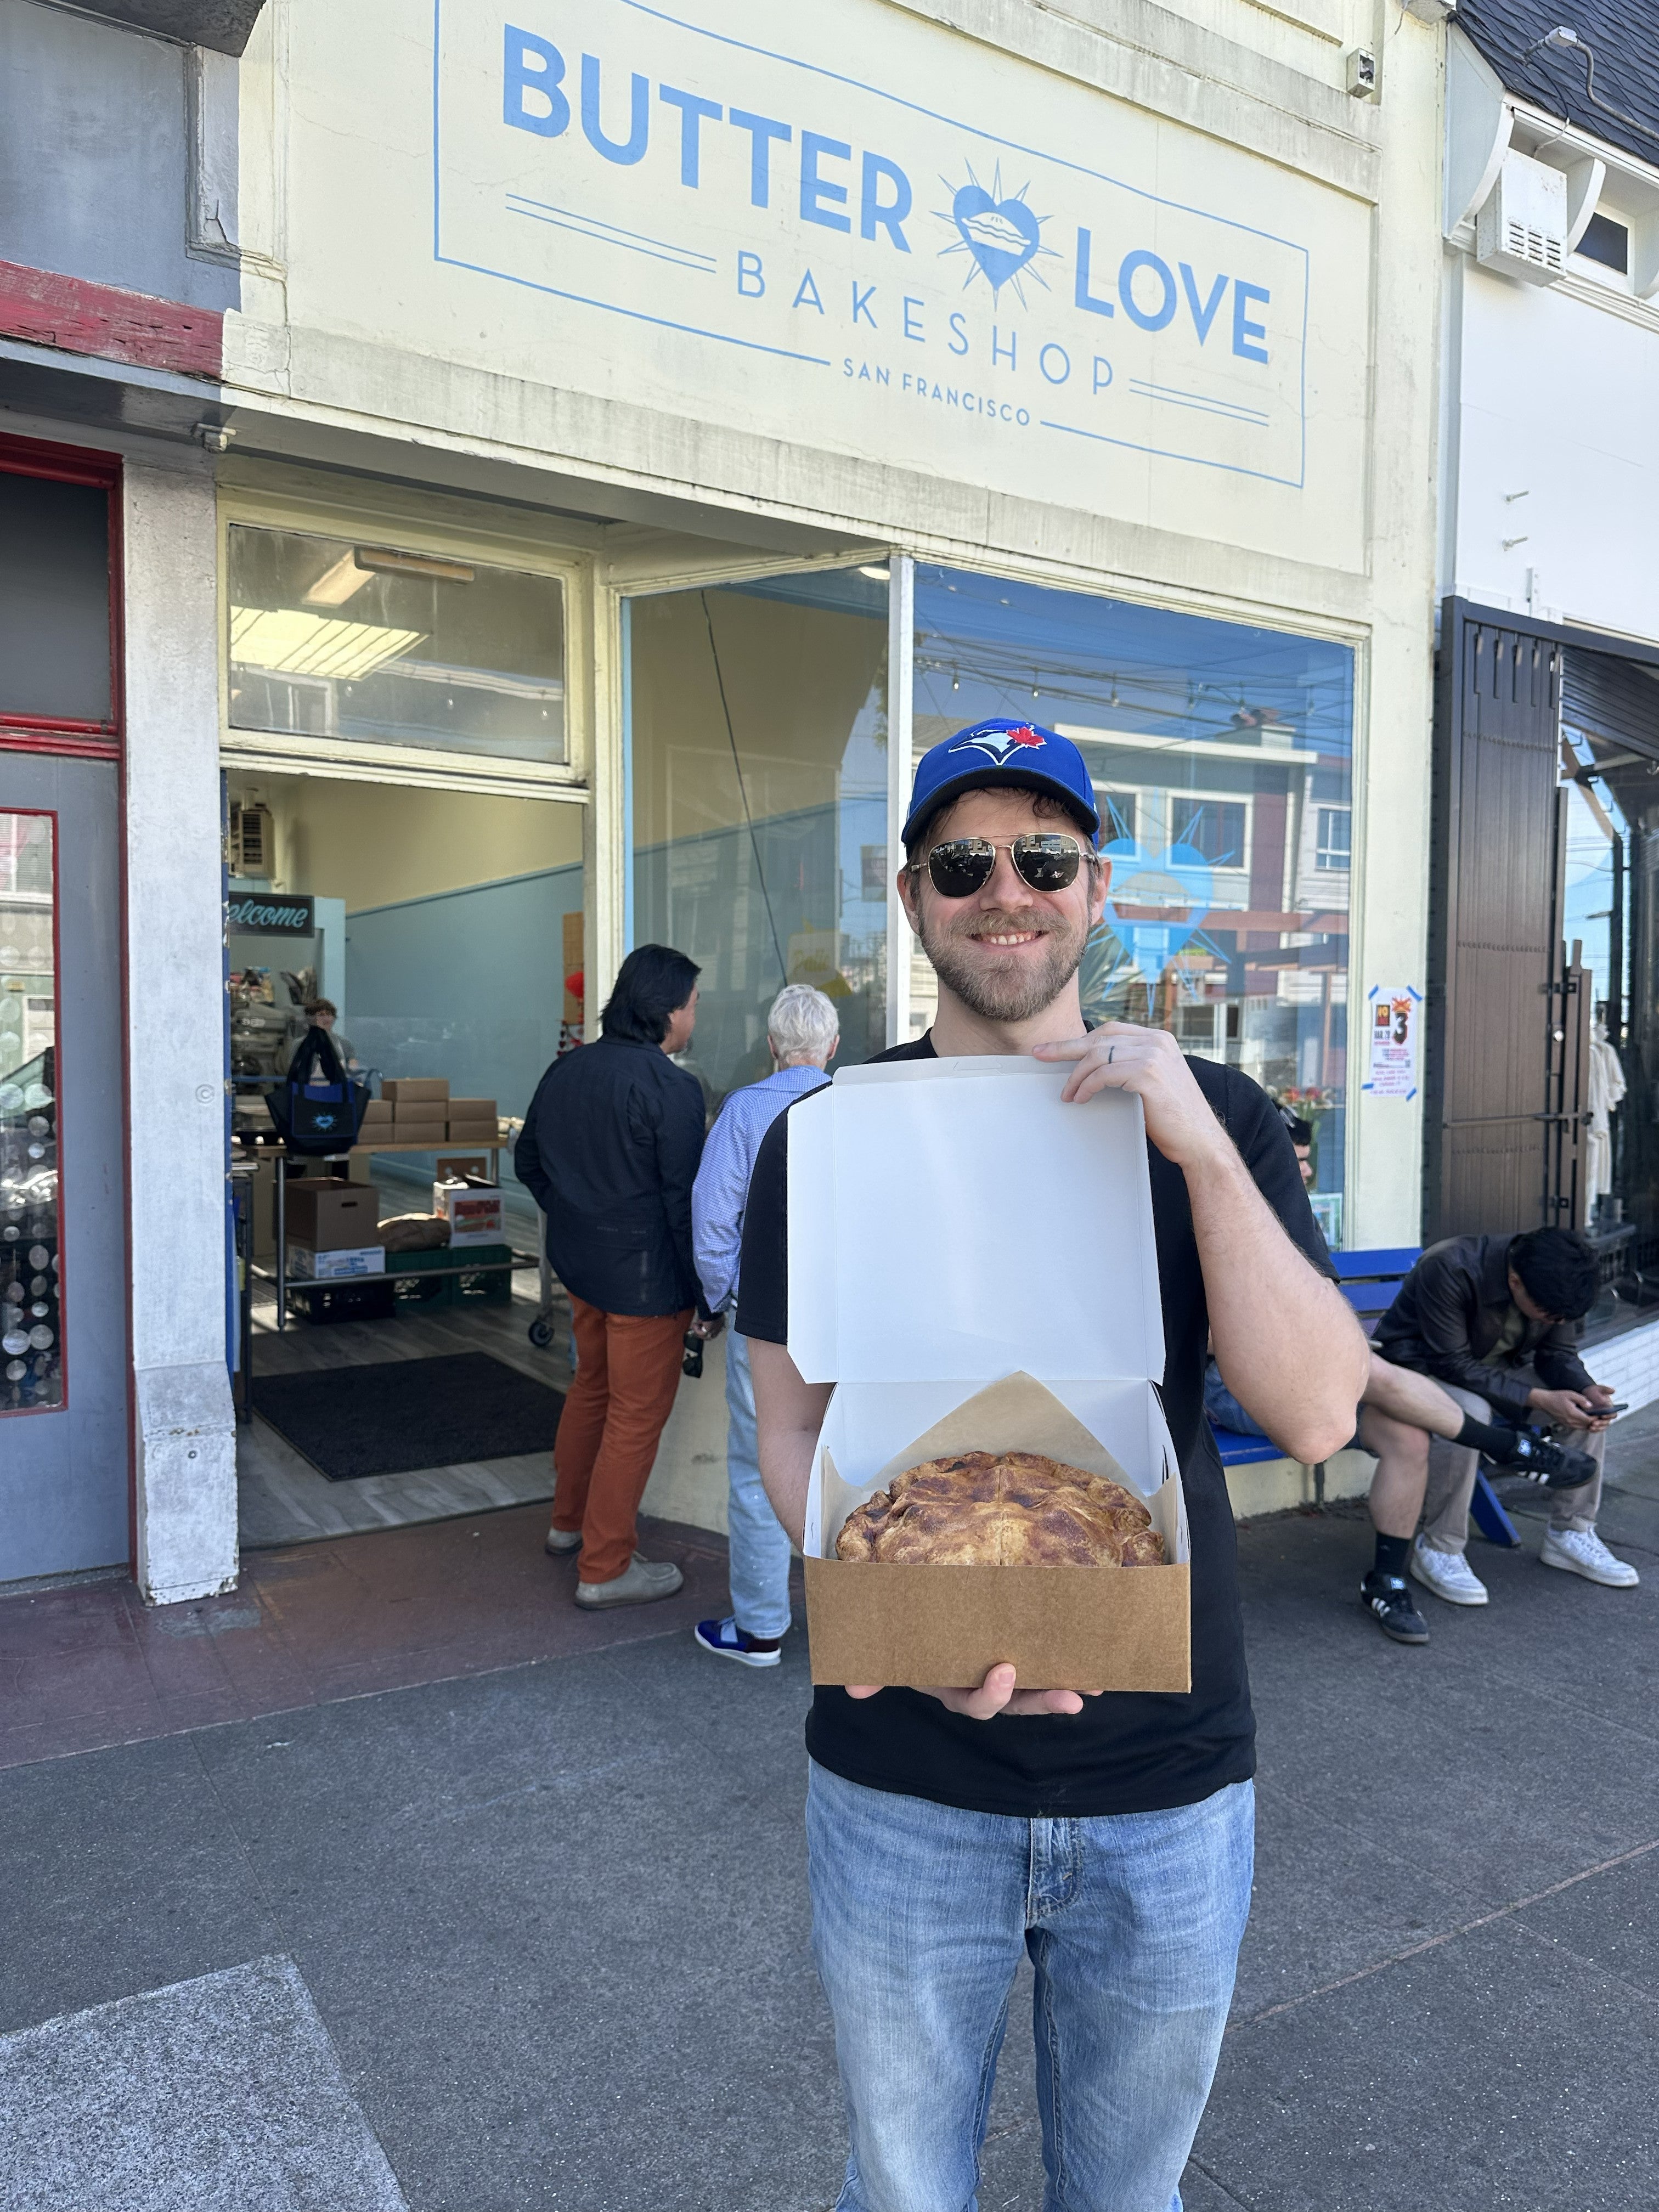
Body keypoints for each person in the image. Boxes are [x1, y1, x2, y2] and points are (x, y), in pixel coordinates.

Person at [738, 719, 1368, 2212]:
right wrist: (915, 1619)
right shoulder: (825, 1138)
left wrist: (1201, 1153)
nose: (1003, 891)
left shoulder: (1219, 1117)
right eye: (963, 862)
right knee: (902, 2190)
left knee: (1128, 2196)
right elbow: (791, 1432)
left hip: (1168, 1776)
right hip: (900, 1780)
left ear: (1095, 892)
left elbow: (1321, 1416)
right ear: (913, 899)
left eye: (1043, 859)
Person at [514, 945, 715, 1610]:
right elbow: (686, 1206)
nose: (695, 1016)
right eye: (691, 1004)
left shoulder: (566, 1070)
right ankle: (604, 1569)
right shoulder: (673, 1088)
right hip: (647, 1285)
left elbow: (529, 1162)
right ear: (665, 1012)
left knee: (591, 1392)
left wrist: (576, 1217)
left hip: (584, 1272)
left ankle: (566, 1528)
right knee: (632, 1420)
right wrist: (707, 1294)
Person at [1366, 1227, 1636, 1605]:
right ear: (1514, 1281)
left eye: (1564, 1318)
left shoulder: (1554, 1285)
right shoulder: (1451, 1266)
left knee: (1584, 1409)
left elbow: (1558, 1355)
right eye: (1549, 1315)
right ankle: (1440, 1548)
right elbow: (1452, 1363)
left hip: (1500, 1371)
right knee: (1468, 1412)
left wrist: (1587, 1389)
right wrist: (1538, 1397)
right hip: (1424, 1370)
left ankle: (1571, 1532)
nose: (1557, 1322)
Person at [690, 983, 839, 1668]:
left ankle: (760, 1629)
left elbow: (714, 1224)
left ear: (773, 1047)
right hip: (849, 1324)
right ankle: (859, 1618)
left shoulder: (745, 1112)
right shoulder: (855, 1109)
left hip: (768, 1322)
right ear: (832, 1047)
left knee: (760, 1469)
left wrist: (721, 1301)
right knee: (851, 1465)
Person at [301, 998, 359, 1072]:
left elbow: (354, 1070)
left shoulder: (345, 1044)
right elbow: (294, 1072)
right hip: (308, 1084)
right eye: (321, 1015)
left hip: (338, 1084)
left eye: (328, 1014)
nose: (326, 1018)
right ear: (312, 1019)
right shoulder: (300, 1044)